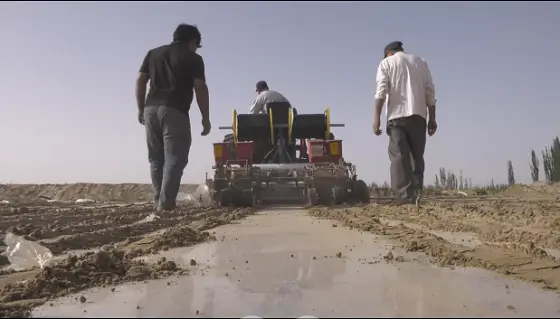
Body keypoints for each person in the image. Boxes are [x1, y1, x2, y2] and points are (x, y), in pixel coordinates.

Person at [135, 23, 212, 212]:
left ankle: (160, 202)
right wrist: (206, 118)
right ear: (193, 41)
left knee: (156, 159)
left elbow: (140, 80)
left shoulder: (153, 54)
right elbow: (200, 87)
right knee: (175, 159)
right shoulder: (194, 58)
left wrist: (140, 108)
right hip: (174, 111)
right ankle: (166, 205)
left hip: (150, 109)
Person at [373, 41, 437, 205]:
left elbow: (381, 91)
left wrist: (376, 119)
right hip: (419, 116)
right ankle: (417, 194)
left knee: (399, 156)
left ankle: (403, 197)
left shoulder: (386, 63)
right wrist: (433, 118)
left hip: (397, 116)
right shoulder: (420, 62)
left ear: (389, 53)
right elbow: (429, 90)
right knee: (417, 156)